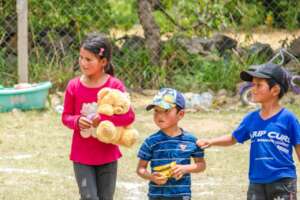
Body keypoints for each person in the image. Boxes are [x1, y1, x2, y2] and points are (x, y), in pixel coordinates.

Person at [197, 63, 300, 200]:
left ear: (275, 90)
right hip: (256, 181)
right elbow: (233, 138)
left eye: (259, 85)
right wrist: (210, 142)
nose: (253, 89)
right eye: (253, 85)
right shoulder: (251, 118)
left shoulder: (288, 118)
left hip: (283, 181)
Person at [62, 33, 135, 200]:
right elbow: (66, 116)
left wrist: (103, 119)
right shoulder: (73, 86)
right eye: (81, 58)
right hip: (82, 155)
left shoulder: (114, 86)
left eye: (89, 59)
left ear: (103, 62)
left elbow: (129, 117)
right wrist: (77, 121)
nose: (83, 63)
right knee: (89, 197)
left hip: (107, 154)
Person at [136, 88, 206, 200]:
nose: (159, 115)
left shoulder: (191, 140)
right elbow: (140, 169)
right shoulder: (151, 141)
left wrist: (185, 168)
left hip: (182, 195)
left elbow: (201, 165)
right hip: (157, 195)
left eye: (166, 110)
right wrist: (151, 177)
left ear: (181, 114)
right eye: (156, 111)